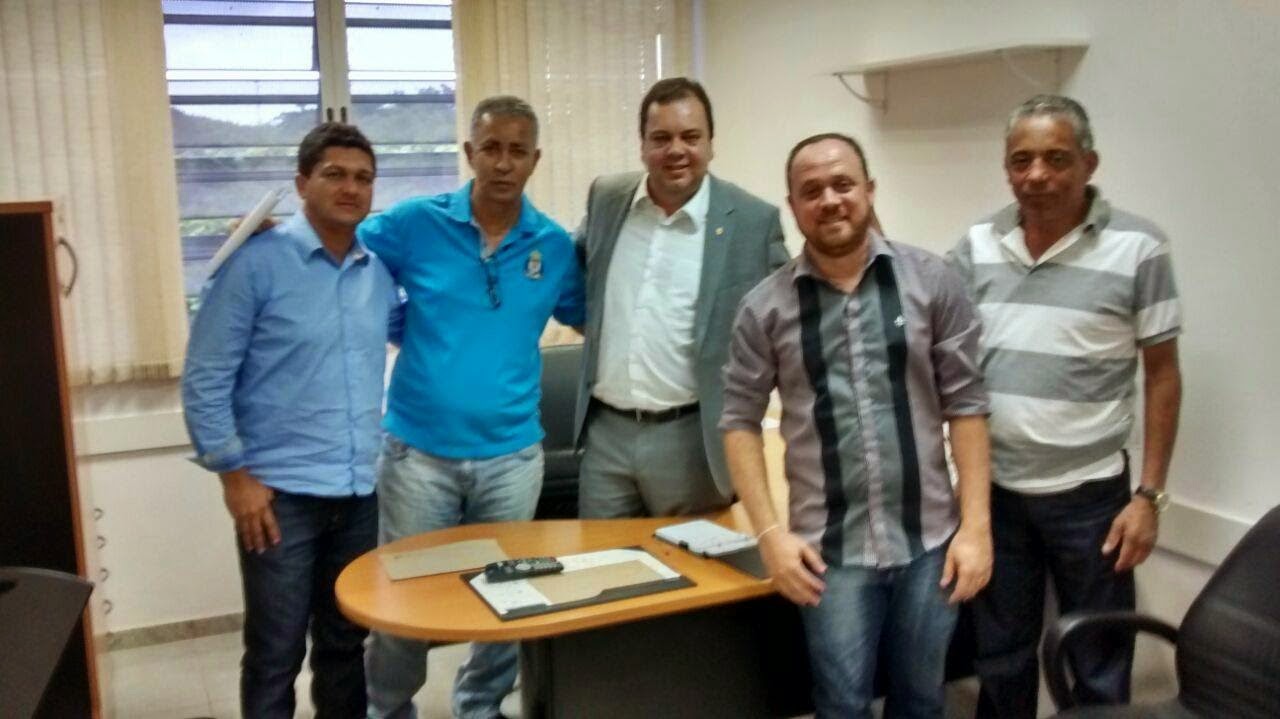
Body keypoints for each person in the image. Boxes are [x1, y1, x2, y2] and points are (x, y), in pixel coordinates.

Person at [720, 133, 993, 718]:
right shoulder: (764, 308)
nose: (830, 200)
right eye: (811, 190)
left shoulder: (932, 281)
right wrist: (769, 537)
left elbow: (967, 407)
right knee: (841, 704)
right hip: (828, 555)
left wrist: (976, 528)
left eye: (843, 184)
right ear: (793, 206)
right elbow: (738, 422)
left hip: (930, 543)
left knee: (922, 700)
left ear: (869, 190)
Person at [948, 95, 1183, 718]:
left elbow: (1163, 376)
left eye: (1056, 158)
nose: (1036, 174)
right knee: (1000, 657)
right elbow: (937, 343)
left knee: (1099, 661)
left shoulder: (1139, 247)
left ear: (1088, 163)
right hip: (996, 494)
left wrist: (1150, 497)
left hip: (1093, 500)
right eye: (1020, 160)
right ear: (1006, 168)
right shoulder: (976, 244)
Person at [360, 95, 586, 719]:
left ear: (535, 159)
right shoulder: (416, 223)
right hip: (417, 456)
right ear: (469, 153)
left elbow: (591, 314)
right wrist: (396, 320)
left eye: (517, 151)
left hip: (512, 458)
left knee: (507, 597)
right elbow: (345, 252)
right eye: (491, 148)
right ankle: (387, 708)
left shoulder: (553, 246)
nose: (503, 163)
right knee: (403, 598)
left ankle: (480, 705)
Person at [182, 123, 400, 719]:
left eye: (363, 178)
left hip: (358, 493)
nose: (350, 188)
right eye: (335, 174)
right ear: (302, 184)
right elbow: (204, 379)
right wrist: (234, 478)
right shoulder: (254, 264)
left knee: (345, 644)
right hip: (278, 500)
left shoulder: (376, 271)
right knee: (275, 653)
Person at [574, 77, 790, 518]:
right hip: (606, 437)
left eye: (691, 137)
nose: (676, 150)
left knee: (692, 559)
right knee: (599, 557)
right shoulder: (607, 199)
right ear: (642, 146)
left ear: (711, 144)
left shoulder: (752, 221)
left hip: (692, 439)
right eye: (661, 138)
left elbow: (788, 321)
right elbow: (579, 276)